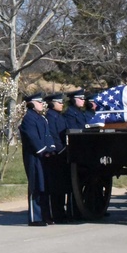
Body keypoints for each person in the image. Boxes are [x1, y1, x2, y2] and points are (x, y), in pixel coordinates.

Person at [18, 93, 56, 226]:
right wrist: (43, 151)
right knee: (36, 186)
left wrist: (51, 149)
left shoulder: (42, 118)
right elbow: (32, 138)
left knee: (45, 186)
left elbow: (48, 136)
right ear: (31, 103)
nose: (41, 104)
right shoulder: (28, 118)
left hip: (45, 156)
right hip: (34, 157)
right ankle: (36, 218)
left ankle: (46, 216)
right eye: (39, 102)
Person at [44, 92, 71, 222]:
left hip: (63, 153)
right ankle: (56, 213)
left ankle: (61, 211)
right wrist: (60, 150)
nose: (62, 104)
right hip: (56, 155)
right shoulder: (50, 117)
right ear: (51, 103)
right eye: (59, 102)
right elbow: (54, 136)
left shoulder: (59, 117)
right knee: (55, 187)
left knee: (61, 186)